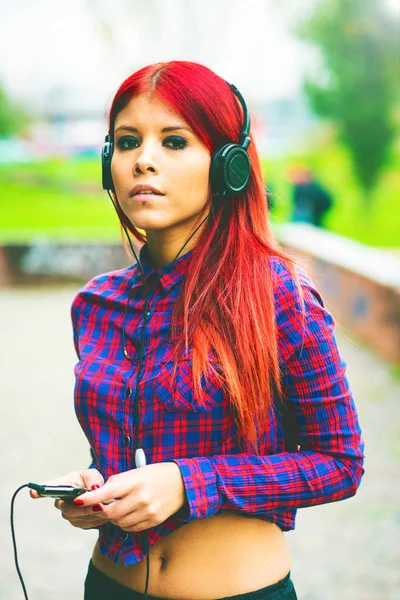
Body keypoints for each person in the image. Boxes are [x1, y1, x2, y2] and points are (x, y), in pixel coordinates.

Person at [30, 61, 365, 600]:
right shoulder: (96, 304)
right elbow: (130, 446)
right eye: (127, 141)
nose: (143, 161)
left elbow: (340, 464)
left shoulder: (279, 296)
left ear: (227, 166)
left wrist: (190, 483)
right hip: (108, 586)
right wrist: (96, 485)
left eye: (175, 142)